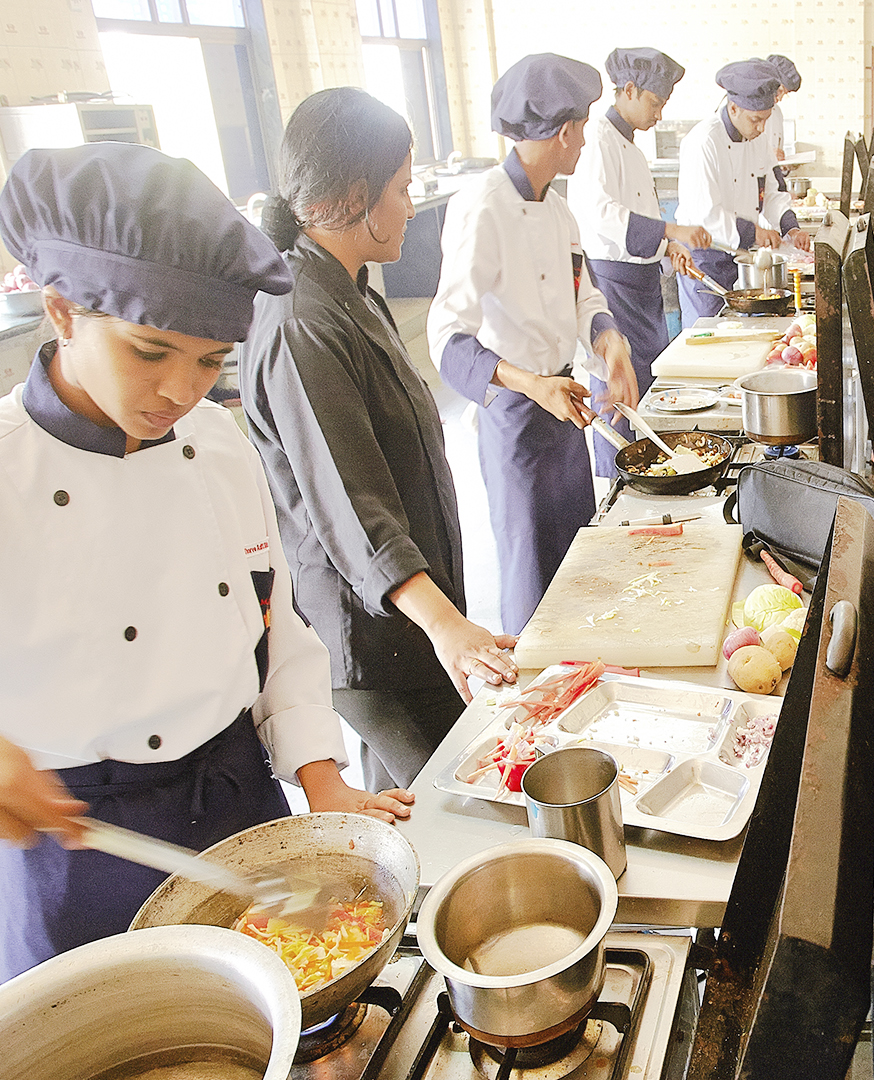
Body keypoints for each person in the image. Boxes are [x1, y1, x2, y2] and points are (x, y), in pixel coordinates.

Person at [0, 142, 410, 979]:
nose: (180, 392)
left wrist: (320, 774)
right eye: (151, 352)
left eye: (210, 362)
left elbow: (273, 626)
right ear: (63, 311)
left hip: (239, 808)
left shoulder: (218, 445)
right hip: (77, 845)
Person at [241, 87, 516, 794]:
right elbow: (351, 504)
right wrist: (448, 626)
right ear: (357, 196)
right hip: (370, 640)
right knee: (456, 803)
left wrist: (447, 619)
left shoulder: (350, 292)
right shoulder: (300, 319)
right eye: (402, 187)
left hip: (410, 615)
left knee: (407, 806)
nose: (412, 204)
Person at [428, 53, 638, 636]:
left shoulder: (559, 211)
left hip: (563, 403)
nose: (582, 143)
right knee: (529, 577)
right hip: (516, 417)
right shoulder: (483, 205)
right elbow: (447, 340)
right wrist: (531, 384)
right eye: (583, 128)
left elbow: (585, 298)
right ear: (567, 132)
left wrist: (612, 344)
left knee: (574, 565)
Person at [573, 47, 710, 478]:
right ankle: (618, 486)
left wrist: (667, 249)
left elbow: (640, 220)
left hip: (642, 288)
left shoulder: (630, 145)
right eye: (655, 102)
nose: (659, 113)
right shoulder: (597, 141)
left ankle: (648, 475)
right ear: (628, 90)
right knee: (619, 395)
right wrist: (671, 233)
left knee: (644, 394)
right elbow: (601, 216)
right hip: (613, 290)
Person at [675, 59, 813, 322]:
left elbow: (772, 189)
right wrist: (756, 232)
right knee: (707, 331)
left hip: (738, 256)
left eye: (766, 120)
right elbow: (707, 216)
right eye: (756, 120)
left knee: (736, 333)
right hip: (705, 257)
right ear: (733, 107)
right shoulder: (703, 142)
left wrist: (790, 227)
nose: (762, 128)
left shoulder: (756, 137)